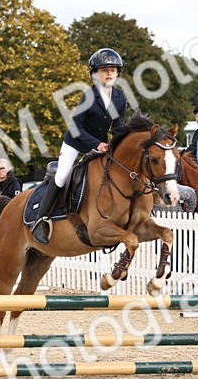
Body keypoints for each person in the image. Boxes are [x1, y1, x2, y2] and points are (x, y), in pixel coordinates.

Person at [32, 48, 128, 243]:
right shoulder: (88, 96)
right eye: (104, 70)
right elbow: (75, 127)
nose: (109, 73)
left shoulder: (119, 98)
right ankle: (40, 220)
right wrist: (97, 144)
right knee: (62, 175)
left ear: (118, 73)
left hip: (100, 145)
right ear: (95, 74)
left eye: (112, 70)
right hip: (76, 142)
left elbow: (118, 126)